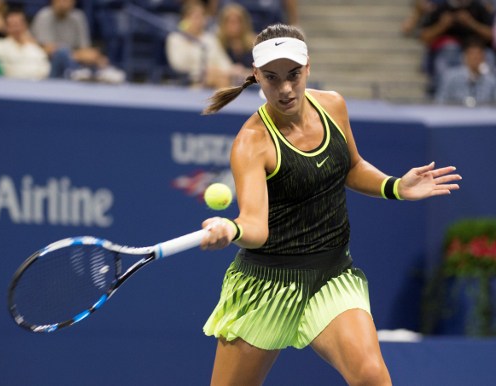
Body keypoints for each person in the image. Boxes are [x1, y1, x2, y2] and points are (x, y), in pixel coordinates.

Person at [198, 23, 462, 385]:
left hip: (332, 276)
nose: (286, 88)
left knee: (371, 375)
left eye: (293, 74)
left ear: (308, 67)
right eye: (272, 78)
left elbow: (351, 166)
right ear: (256, 76)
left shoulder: (333, 105)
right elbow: (256, 228)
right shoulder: (251, 143)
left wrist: (396, 186)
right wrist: (232, 229)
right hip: (266, 287)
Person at [31, 0, 124, 83]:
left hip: (74, 61)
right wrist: (77, 55)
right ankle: (78, 73)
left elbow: (85, 49)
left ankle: (100, 74)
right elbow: (48, 50)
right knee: (62, 53)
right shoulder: (44, 15)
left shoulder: (78, 16)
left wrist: (94, 56)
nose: (64, 3)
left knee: (98, 57)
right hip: (49, 66)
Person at [420, 0, 494, 94]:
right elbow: (424, 37)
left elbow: (491, 35)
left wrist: (471, 23)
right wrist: (442, 25)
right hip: (449, 53)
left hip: (477, 49)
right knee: (448, 52)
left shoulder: (478, 7)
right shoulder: (442, 8)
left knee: (488, 56)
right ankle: (441, 94)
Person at [165, 1, 240, 88]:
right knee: (218, 78)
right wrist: (204, 71)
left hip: (216, 77)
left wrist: (232, 70)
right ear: (185, 19)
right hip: (190, 82)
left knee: (226, 78)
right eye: (195, 17)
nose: (199, 21)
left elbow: (224, 62)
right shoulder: (175, 38)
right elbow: (178, 65)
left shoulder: (210, 39)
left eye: (202, 16)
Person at [0, 9, 50, 80]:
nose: (16, 29)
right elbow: (1, 70)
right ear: (6, 27)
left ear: (25, 26)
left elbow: (45, 69)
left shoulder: (34, 48)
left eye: (19, 25)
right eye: (12, 25)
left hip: (36, 85)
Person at [435, 37, 496, 105]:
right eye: (472, 54)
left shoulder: (491, 80)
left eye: (479, 54)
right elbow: (441, 101)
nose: (475, 57)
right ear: (465, 56)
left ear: (484, 57)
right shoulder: (450, 77)